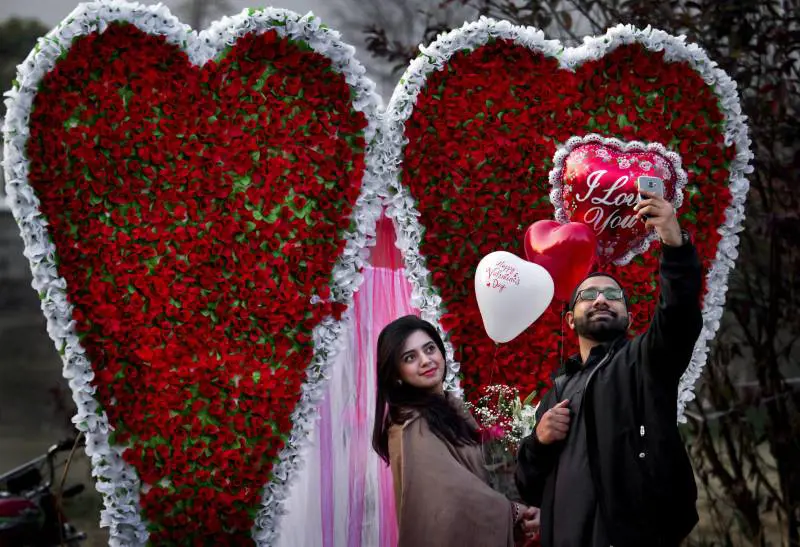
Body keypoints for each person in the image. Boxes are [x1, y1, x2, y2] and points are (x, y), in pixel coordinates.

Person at [515, 190, 703, 547]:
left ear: (629, 317)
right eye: (588, 295)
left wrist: (673, 242)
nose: (601, 299)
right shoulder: (557, 391)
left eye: (613, 296)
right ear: (570, 320)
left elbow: (678, 314)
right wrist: (539, 441)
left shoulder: (644, 362)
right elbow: (528, 485)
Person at [373, 315, 539, 546]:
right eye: (410, 357)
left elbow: (484, 473)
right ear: (396, 375)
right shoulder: (412, 423)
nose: (425, 360)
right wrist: (512, 511)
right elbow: (452, 499)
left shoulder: (452, 407)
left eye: (429, 349)